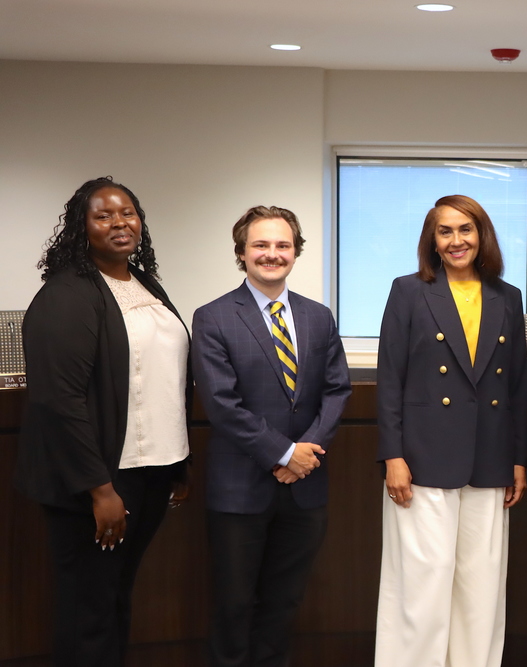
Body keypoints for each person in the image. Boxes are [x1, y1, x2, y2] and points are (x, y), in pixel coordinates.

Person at [16, 176, 191, 667]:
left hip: (150, 472)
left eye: (128, 212)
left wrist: (178, 464)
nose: (120, 223)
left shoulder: (143, 284)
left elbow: (162, 380)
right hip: (99, 483)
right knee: (88, 608)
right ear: (81, 227)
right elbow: (59, 401)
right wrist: (100, 489)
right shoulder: (67, 295)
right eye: (104, 215)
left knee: (114, 596)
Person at [191, 205, 351, 667]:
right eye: (261, 244)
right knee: (234, 606)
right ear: (242, 252)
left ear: (295, 252)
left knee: (283, 606)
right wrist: (283, 453)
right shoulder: (214, 317)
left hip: (305, 489)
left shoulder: (318, 317)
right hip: (239, 491)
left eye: (282, 245)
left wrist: (305, 454)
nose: (272, 254)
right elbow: (222, 404)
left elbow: (337, 390)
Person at [374, 194, 527, 667]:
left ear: (481, 235)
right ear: (433, 241)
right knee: (422, 587)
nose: (457, 240)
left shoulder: (507, 296)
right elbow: (389, 379)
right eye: (446, 231)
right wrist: (392, 456)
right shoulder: (408, 290)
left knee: (480, 589)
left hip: (490, 460)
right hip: (421, 460)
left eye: (466, 229)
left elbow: (518, 385)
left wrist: (519, 460)